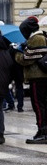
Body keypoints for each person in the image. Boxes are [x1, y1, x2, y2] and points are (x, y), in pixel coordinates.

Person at [15, 16, 47, 144]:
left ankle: (43, 131)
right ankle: (42, 130)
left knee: (39, 106)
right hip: (42, 77)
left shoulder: (36, 39)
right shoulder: (42, 37)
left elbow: (26, 59)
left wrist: (16, 52)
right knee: (42, 105)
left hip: (38, 77)